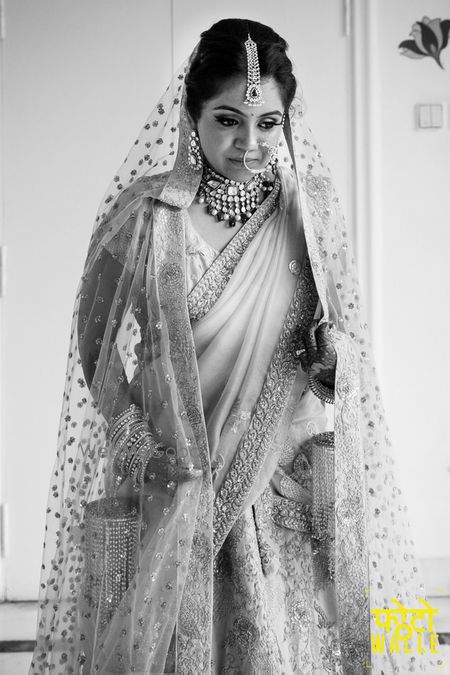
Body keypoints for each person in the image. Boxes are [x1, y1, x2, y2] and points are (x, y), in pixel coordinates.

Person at [30, 18, 439, 675]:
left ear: (287, 121)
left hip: (282, 491)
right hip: (173, 485)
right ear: (191, 115)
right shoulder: (146, 220)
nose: (250, 142)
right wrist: (139, 438)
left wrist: (334, 361)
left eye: (268, 123)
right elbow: (98, 350)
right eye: (228, 120)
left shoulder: (309, 214)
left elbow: (346, 342)